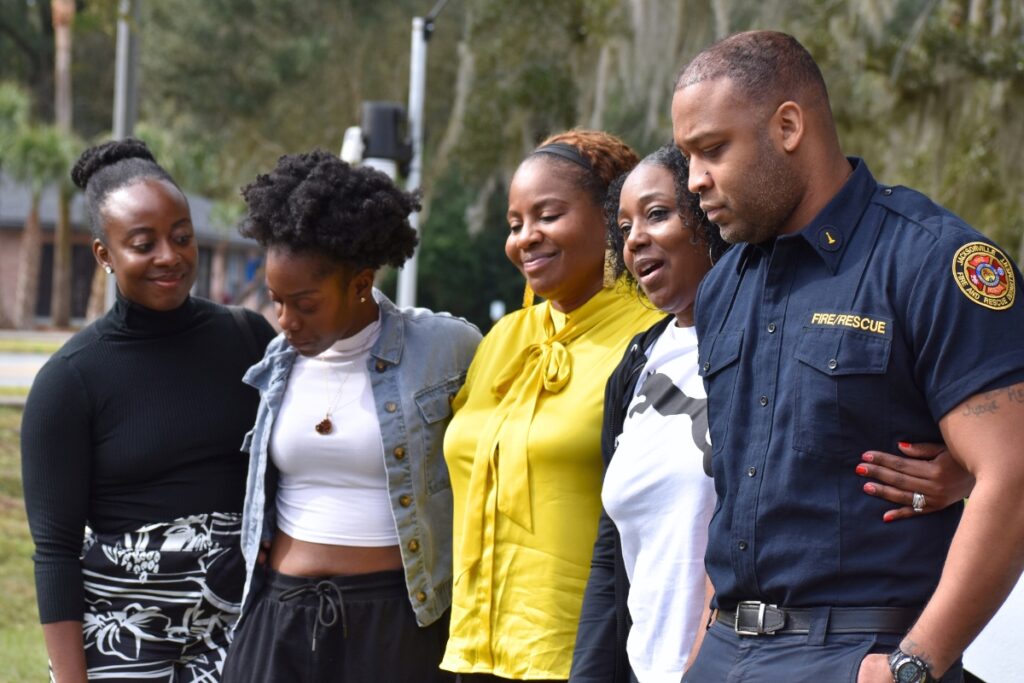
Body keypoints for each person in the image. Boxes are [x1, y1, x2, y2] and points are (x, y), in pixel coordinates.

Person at [673, 30, 1024, 682]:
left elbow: (1013, 474)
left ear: (787, 127)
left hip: (861, 650)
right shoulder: (722, 288)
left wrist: (913, 663)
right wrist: (702, 654)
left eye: (712, 150)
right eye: (687, 156)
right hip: (725, 653)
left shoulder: (931, 261)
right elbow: (735, 500)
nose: (695, 179)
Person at [220, 150, 480, 683]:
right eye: (276, 300)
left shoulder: (445, 348)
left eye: (305, 303)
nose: (286, 320)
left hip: (394, 623)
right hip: (280, 616)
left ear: (360, 283)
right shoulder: (275, 366)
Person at [21, 138, 276, 682]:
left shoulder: (247, 339)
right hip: (122, 633)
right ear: (104, 254)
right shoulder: (68, 382)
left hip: (241, 622)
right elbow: (56, 552)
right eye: (144, 243)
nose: (170, 256)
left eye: (181, 237)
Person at [440, 130, 665, 681]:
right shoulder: (503, 339)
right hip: (474, 648)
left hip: (583, 653)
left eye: (548, 215)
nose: (525, 239)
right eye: (515, 225)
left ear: (612, 218)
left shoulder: (656, 338)